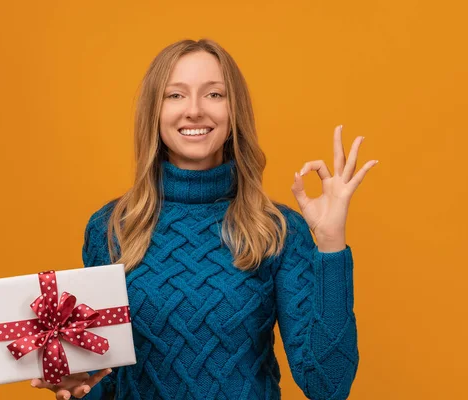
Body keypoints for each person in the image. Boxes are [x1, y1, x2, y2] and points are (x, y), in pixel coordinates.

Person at [31, 38, 376, 399]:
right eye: (175, 95)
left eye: (214, 94)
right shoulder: (111, 228)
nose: (194, 110)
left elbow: (328, 386)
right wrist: (80, 389)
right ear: (154, 111)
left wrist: (331, 244)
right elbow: (112, 382)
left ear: (234, 111)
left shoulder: (277, 231)